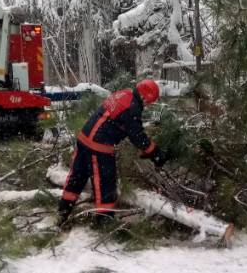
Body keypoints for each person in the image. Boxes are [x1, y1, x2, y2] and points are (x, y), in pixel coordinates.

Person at [58, 79, 169, 226]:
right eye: (148, 101)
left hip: (85, 137)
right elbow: (137, 135)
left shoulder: (125, 93)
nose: (147, 105)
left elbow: (121, 123)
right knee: (105, 183)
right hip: (99, 145)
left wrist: (145, 148)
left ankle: (63, 211)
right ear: (144, 96)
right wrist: (155, 152)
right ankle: (104, 222)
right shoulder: (133, 107)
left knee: (77, 176)